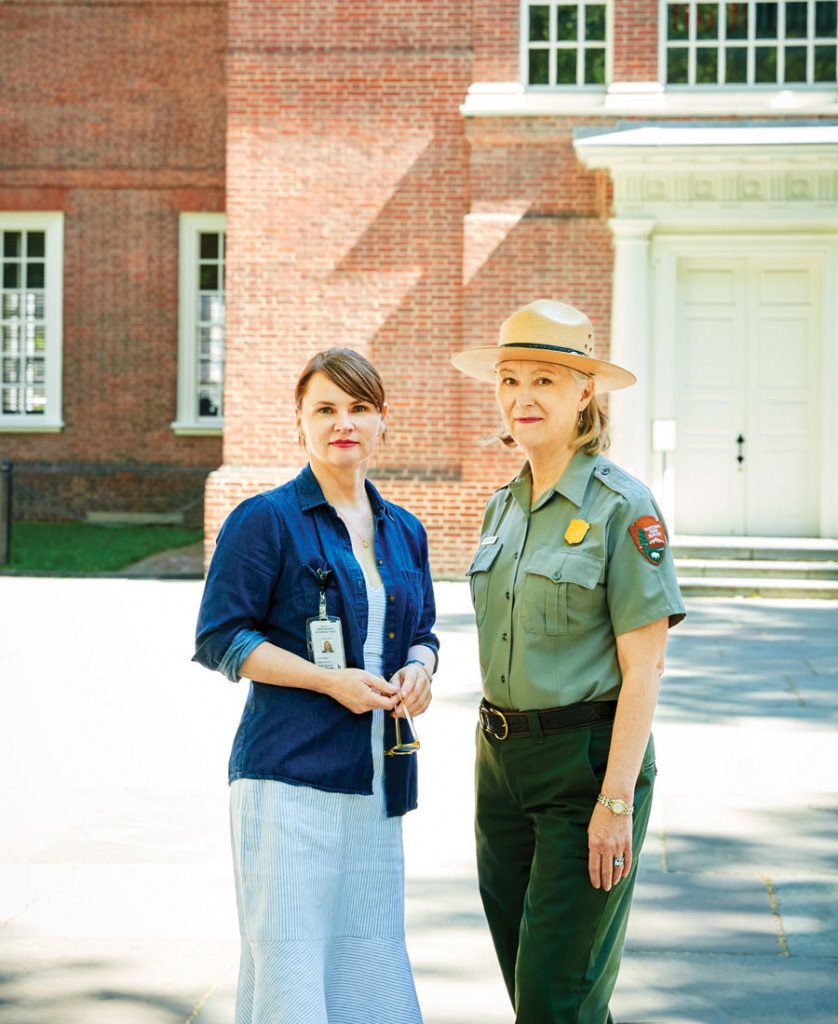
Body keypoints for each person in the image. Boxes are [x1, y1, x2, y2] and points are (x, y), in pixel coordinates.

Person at [451, 300, 685, 1024]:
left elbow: (645, 668)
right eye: (510, 379)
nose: (521, 397)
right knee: (538, 989)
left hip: (585, 770)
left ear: (585, 392)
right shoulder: (501, 507)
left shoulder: (623, 507)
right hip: (500, 765)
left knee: (556, 1000)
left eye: (544, 380)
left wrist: (615, 802)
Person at [193, 348, 438, 1024]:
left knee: (370, 963)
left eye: (358, 408)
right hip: (288, 779)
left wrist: (421, 669)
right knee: (290, 969)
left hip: (377, 782)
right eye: (325, 409)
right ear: (299, 421)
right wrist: (329, 683)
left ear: (383, 420)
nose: (343, 424)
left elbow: (424, 631)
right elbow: (221, 638)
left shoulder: (405, 530)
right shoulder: (265, 520)